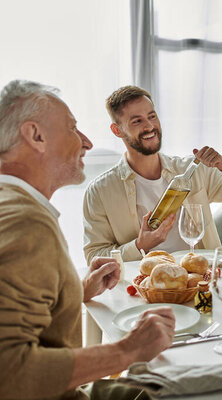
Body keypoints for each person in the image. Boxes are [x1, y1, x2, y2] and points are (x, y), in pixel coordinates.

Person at [0, 80, 175, 399]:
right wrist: (129, 349)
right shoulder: (25, 221)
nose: (87, 142)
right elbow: (8, 373)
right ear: (36, 136)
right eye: (72, 128)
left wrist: (77, 290)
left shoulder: (11, 203)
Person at [83, 85, 222, 264]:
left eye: (152, 116)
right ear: (117, 130)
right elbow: (94, 257)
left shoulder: (193, 171)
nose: (149, 126)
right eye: (137, 121)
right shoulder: (100, 191)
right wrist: (139, 245)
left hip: (200, 280)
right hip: (145, 286)